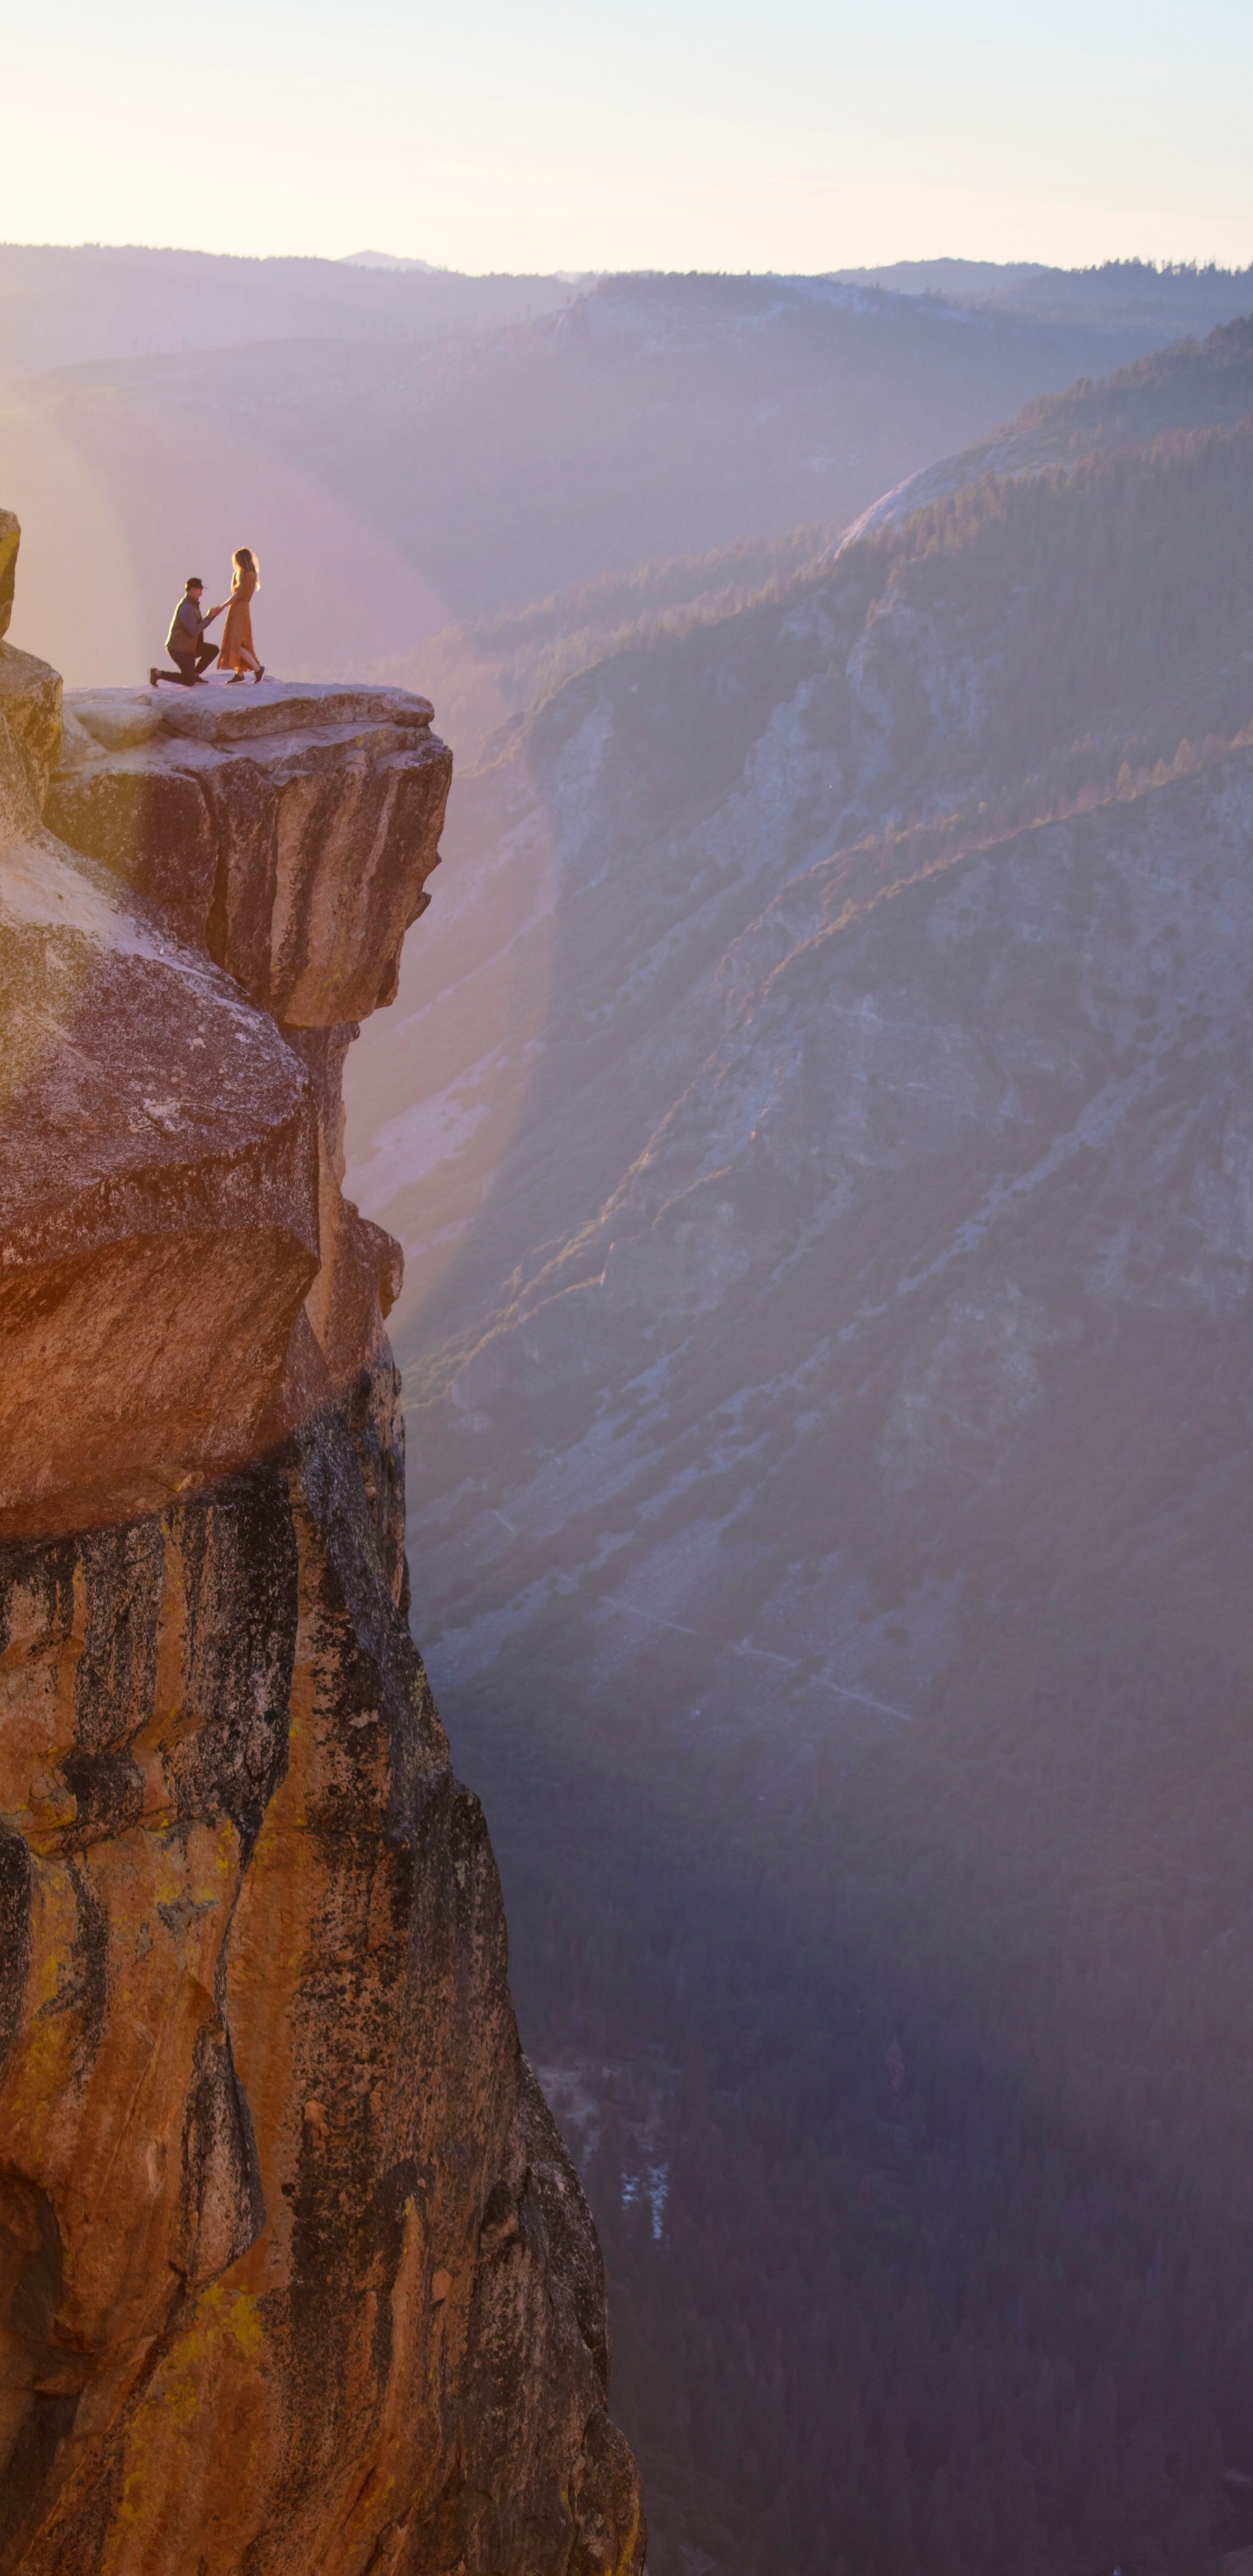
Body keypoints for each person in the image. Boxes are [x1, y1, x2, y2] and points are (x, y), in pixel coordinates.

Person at [151, 578, 225, 688]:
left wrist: (212, 616)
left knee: (213, 650)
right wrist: (209, 617)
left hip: (190, 647)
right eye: (199, 590)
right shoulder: (187, 608)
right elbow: (194, 631)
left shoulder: (192, 605)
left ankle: (194, 674)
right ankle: (157, 674)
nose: (201, 593)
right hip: (179, 650)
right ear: (191, 590)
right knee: (189, 681)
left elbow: (197, 627)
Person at [218, 547, 265, 684]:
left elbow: (239, 595)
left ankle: (258, 669)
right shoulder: (240, 574)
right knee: (237, 641)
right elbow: (235, 592)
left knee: (238, 643)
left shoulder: (250, 575)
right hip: (235, 610)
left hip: (240, 611)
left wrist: (223, 606)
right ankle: (239, 673)